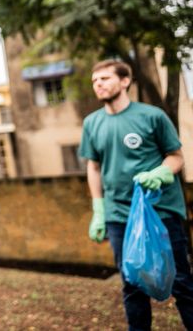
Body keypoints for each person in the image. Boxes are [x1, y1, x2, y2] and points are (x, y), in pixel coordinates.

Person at [80, 59, 193, 330]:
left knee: (181, 282)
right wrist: (99, 210)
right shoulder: (92, 123)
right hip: (120, 216)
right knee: (132, 284)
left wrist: (161, 174)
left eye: (105, 78)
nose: (98, 84)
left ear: (125, 81)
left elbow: (176, 157)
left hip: (161, 211)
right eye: (95, 81)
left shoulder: (151, 116)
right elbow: (93, 167)